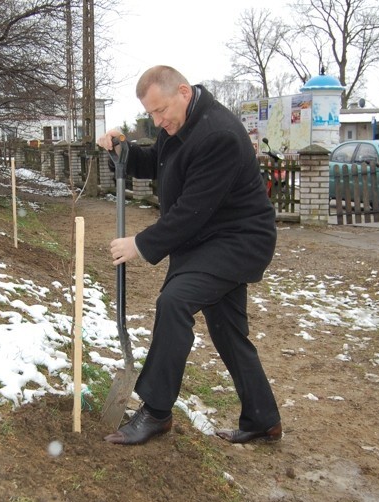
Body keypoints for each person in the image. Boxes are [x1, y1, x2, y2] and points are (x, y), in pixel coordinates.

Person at [96, 65, 281, 446]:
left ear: (183, 91)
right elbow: (158, 165)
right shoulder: (179, 124)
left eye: (161, 110)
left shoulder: (219, 135)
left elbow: (192, 211)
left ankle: (157, 411)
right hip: (208, 238)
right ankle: (263, 418)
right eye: (151, 113)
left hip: (237, 240)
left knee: (175, 302)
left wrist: (141, 243)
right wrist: (123, 149)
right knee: (228, 330)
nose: (158, 120)